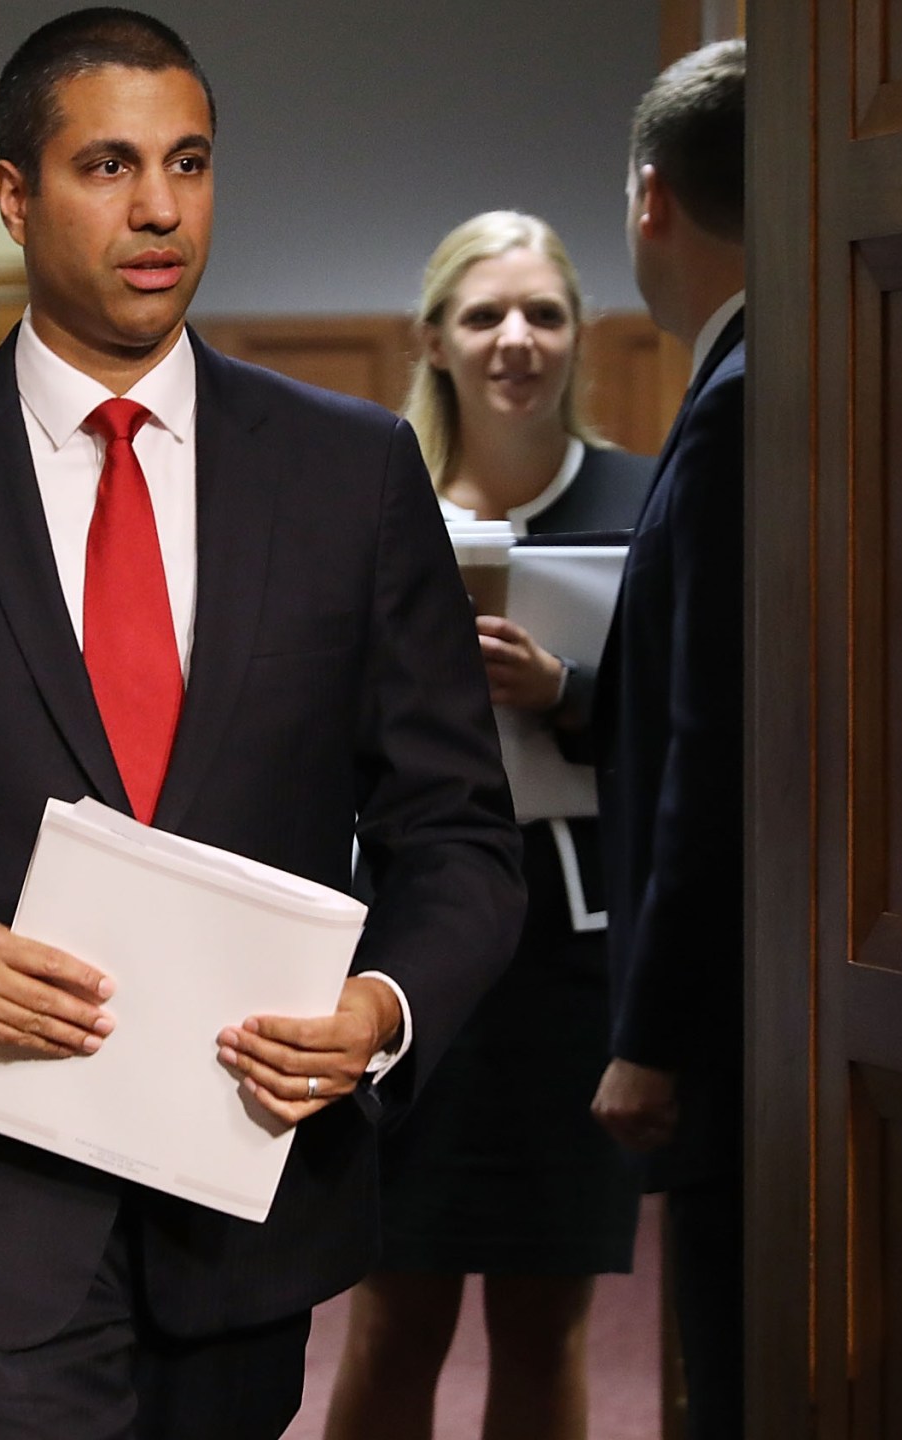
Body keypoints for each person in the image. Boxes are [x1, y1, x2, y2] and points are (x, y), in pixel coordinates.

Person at [0, 10, 524, 1440]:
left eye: (189, 161)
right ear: (16, 196)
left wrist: (379, 1014)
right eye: (107, 165)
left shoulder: (353, 474)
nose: (158, 207)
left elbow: (455, 835)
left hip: (246, 1192)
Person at [323, 212, 648, 1440]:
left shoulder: (641, 497)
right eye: (484, 315)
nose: (517, 339)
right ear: (436, 342)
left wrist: (563, 693)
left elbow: (699, 729)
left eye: (544, 314)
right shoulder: (371, 498)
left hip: (572, 957)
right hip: (405, 946)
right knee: (392, 1311)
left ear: (578, 338)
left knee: (543, 1314)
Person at [585, 38, 749, 1440]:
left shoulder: (739, 403)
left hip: (736, 1028)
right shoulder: (768, 373)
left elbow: (716, 750)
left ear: (653, 200)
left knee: (738, 1380)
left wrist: (651, 1031)